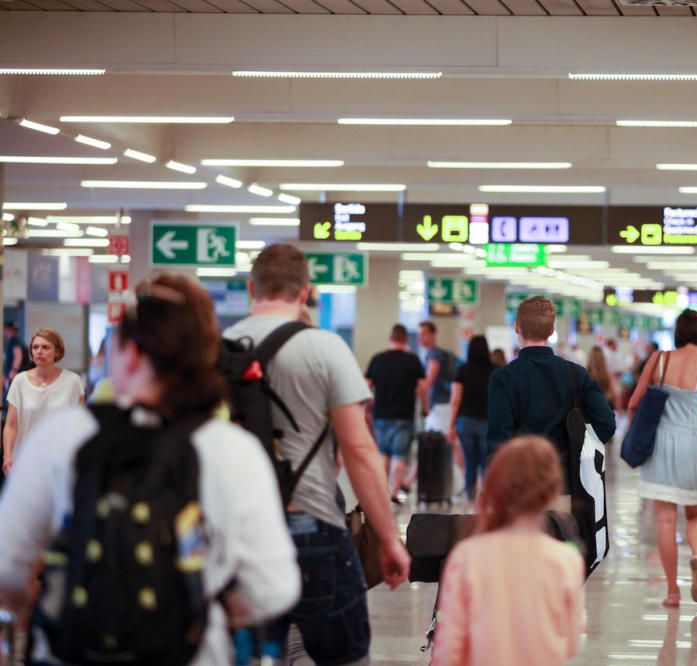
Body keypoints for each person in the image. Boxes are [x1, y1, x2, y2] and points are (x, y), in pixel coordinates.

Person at [0, 273, 301, 664]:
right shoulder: (232, 450)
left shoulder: (61, 438)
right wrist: (208, 609)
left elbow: (7, 565)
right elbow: (274, 589)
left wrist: (41, 606)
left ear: (129, 353)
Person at [224, 244, 410, 665]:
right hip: (311, 525)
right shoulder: (326, 349)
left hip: (238, 533)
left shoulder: (213, 350)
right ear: (305, 292)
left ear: (252, 287)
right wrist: (386, 538)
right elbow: (359, 450)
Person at [431, 436, 585, 666]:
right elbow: (572, 642)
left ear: (494, 487)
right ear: (552, 494)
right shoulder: (566, 560)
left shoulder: (467, 557)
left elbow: (449, 648)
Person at [628, 309, 697, 608]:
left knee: (665, 519)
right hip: (694, 444)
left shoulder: (658, 360)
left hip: (660, 443)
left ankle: (672, 591)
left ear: (678, 333)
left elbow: (634, 401)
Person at [487, 296, 616, 497]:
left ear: (516, 327)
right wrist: (578, 447)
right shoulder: (576, 374)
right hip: (566, 481)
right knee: (561, 529)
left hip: (520, 485)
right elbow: (606, 423)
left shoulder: (503, 378)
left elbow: (498, 439)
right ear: (551, 330)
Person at [2, 328, 85, 475]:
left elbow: (79, 426)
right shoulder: (20, 381)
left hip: (59, 462)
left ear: (57, 352)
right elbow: (11, 425)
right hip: (24, 461)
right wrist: (7, 456)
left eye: (45, 347)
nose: (39, 351)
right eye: (35, 347)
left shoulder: (73, 382)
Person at [365, 324, 425, 502]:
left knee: (384, 453)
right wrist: (425, 407)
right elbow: (423, 387)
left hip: (381, 414)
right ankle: (394, 491)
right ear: (406, 339)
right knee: (400, 455)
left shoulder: (378, 359)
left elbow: (367, 386)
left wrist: (367, 408)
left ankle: (382, 491)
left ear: (390, 338)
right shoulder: (412, 360)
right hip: (404, 415)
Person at [448, 335, 495, 503]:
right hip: (487, 422)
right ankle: (486, 497)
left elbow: (455, 399)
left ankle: (471, 498)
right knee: (486, 462)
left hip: (465, 421)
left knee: (469, 461)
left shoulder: (463, 369)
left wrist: (451, 424)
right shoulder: (494, 370)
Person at [418, 320, 457, 433]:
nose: (419, 337)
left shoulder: (434, 355)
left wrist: (424, 405)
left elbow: (428, 382)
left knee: (438, 442)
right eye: (419, 334)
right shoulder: (434, 354)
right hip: (441, 405)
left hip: (440, 406)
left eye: (423, 333)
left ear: (433, 335)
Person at [587, 345, 619, 413]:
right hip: (606, 412)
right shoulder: (608, 375)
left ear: (590, 358)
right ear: (603, 358)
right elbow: (614, 396)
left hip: (590, 412)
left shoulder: (586, 375)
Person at [3, 322, 30, 391]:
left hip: (17, 374)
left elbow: (18, 356)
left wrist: (13, 371)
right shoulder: (16, 341)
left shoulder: (14, 341)